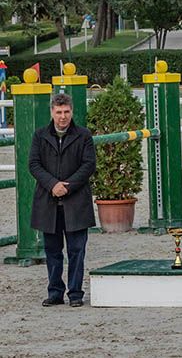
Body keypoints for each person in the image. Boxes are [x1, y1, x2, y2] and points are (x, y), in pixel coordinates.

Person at [29, 93, 96, 307]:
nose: (63, 117)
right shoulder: (39, 136)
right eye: (59, 112)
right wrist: (52, 185)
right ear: (52, 112)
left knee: (77, 250)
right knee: (53, 251)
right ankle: (55, 291)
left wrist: (66, 186)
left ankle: (75, 293)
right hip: (48, 203)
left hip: (76, 202)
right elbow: (34, 164)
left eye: (66, 112)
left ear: (72, 111)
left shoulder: (84, 135)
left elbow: (88, 165)